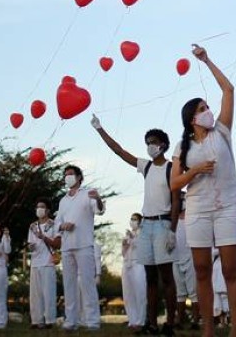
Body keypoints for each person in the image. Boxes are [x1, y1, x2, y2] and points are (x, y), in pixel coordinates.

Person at [170, 45, 236, 337]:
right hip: (198, 210)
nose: (208, 112)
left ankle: (235, 329)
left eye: (207, 107)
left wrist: (207, 60)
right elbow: (175, 184)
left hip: (226, 206)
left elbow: (229, 90)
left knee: (229, 270)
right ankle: (208, 329)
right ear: (192, 119)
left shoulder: (222, 132)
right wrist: (195, 171)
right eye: (202, 109)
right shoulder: (183, 147)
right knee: (201, 270)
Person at [91, 115, 179, 334]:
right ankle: (150, 322)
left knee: (166, 276)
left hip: (163, 223)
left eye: (154, 142)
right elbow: (119, 151)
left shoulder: (171, 168)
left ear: (164, 145)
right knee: (149, 276)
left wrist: (173, 230)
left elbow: (177, 200)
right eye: (148, 142)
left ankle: (169, 322)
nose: (150, 146)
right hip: (146, 225)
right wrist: (100, 128)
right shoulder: (146, 166)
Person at [56, 165, 105, 330]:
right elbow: (57, 223)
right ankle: (71, 320)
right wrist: (63, 226)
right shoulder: (63, 200)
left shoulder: (87, 194)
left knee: (87, 284)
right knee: (69, 285)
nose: (67, 177)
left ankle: (92, 321)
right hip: (66, 246)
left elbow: (100, 211)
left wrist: (98, 198)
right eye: (65, 175)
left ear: (78, 177)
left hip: (84, 245)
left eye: (70, 174)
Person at [27, 201, 59, 330]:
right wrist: (31, 246)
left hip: (47, 262)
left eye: (42, 207)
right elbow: (30, 243)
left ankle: (49, 320)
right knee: (35, 294)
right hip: (35, 263)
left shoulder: (53, 224)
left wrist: (43, 237)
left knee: (48, 292)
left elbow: (57, 244)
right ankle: (36, 320)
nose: (39, 209)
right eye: (37, 207)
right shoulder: (32, 226)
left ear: (48, 210)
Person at [171, 196, 198, 330]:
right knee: (180, 292)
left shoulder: (192, 218)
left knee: (193, 292)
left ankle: (195, 321)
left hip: (190, 257)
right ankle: (179, 321)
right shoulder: (173, 221)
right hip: (176, 258)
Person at [123, 214, 149, 331]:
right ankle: (132, 320)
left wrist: (132, 239)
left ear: (140, 221)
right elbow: (123, 253)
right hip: (127, 264)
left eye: (135, 219)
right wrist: (125, 244)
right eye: (131, 219)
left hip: (139, 263)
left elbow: (140, 246)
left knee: (140, 292)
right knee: (128, 294)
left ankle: (141, 320)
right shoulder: (128, 235)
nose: (132, 221)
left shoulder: (143, 234)